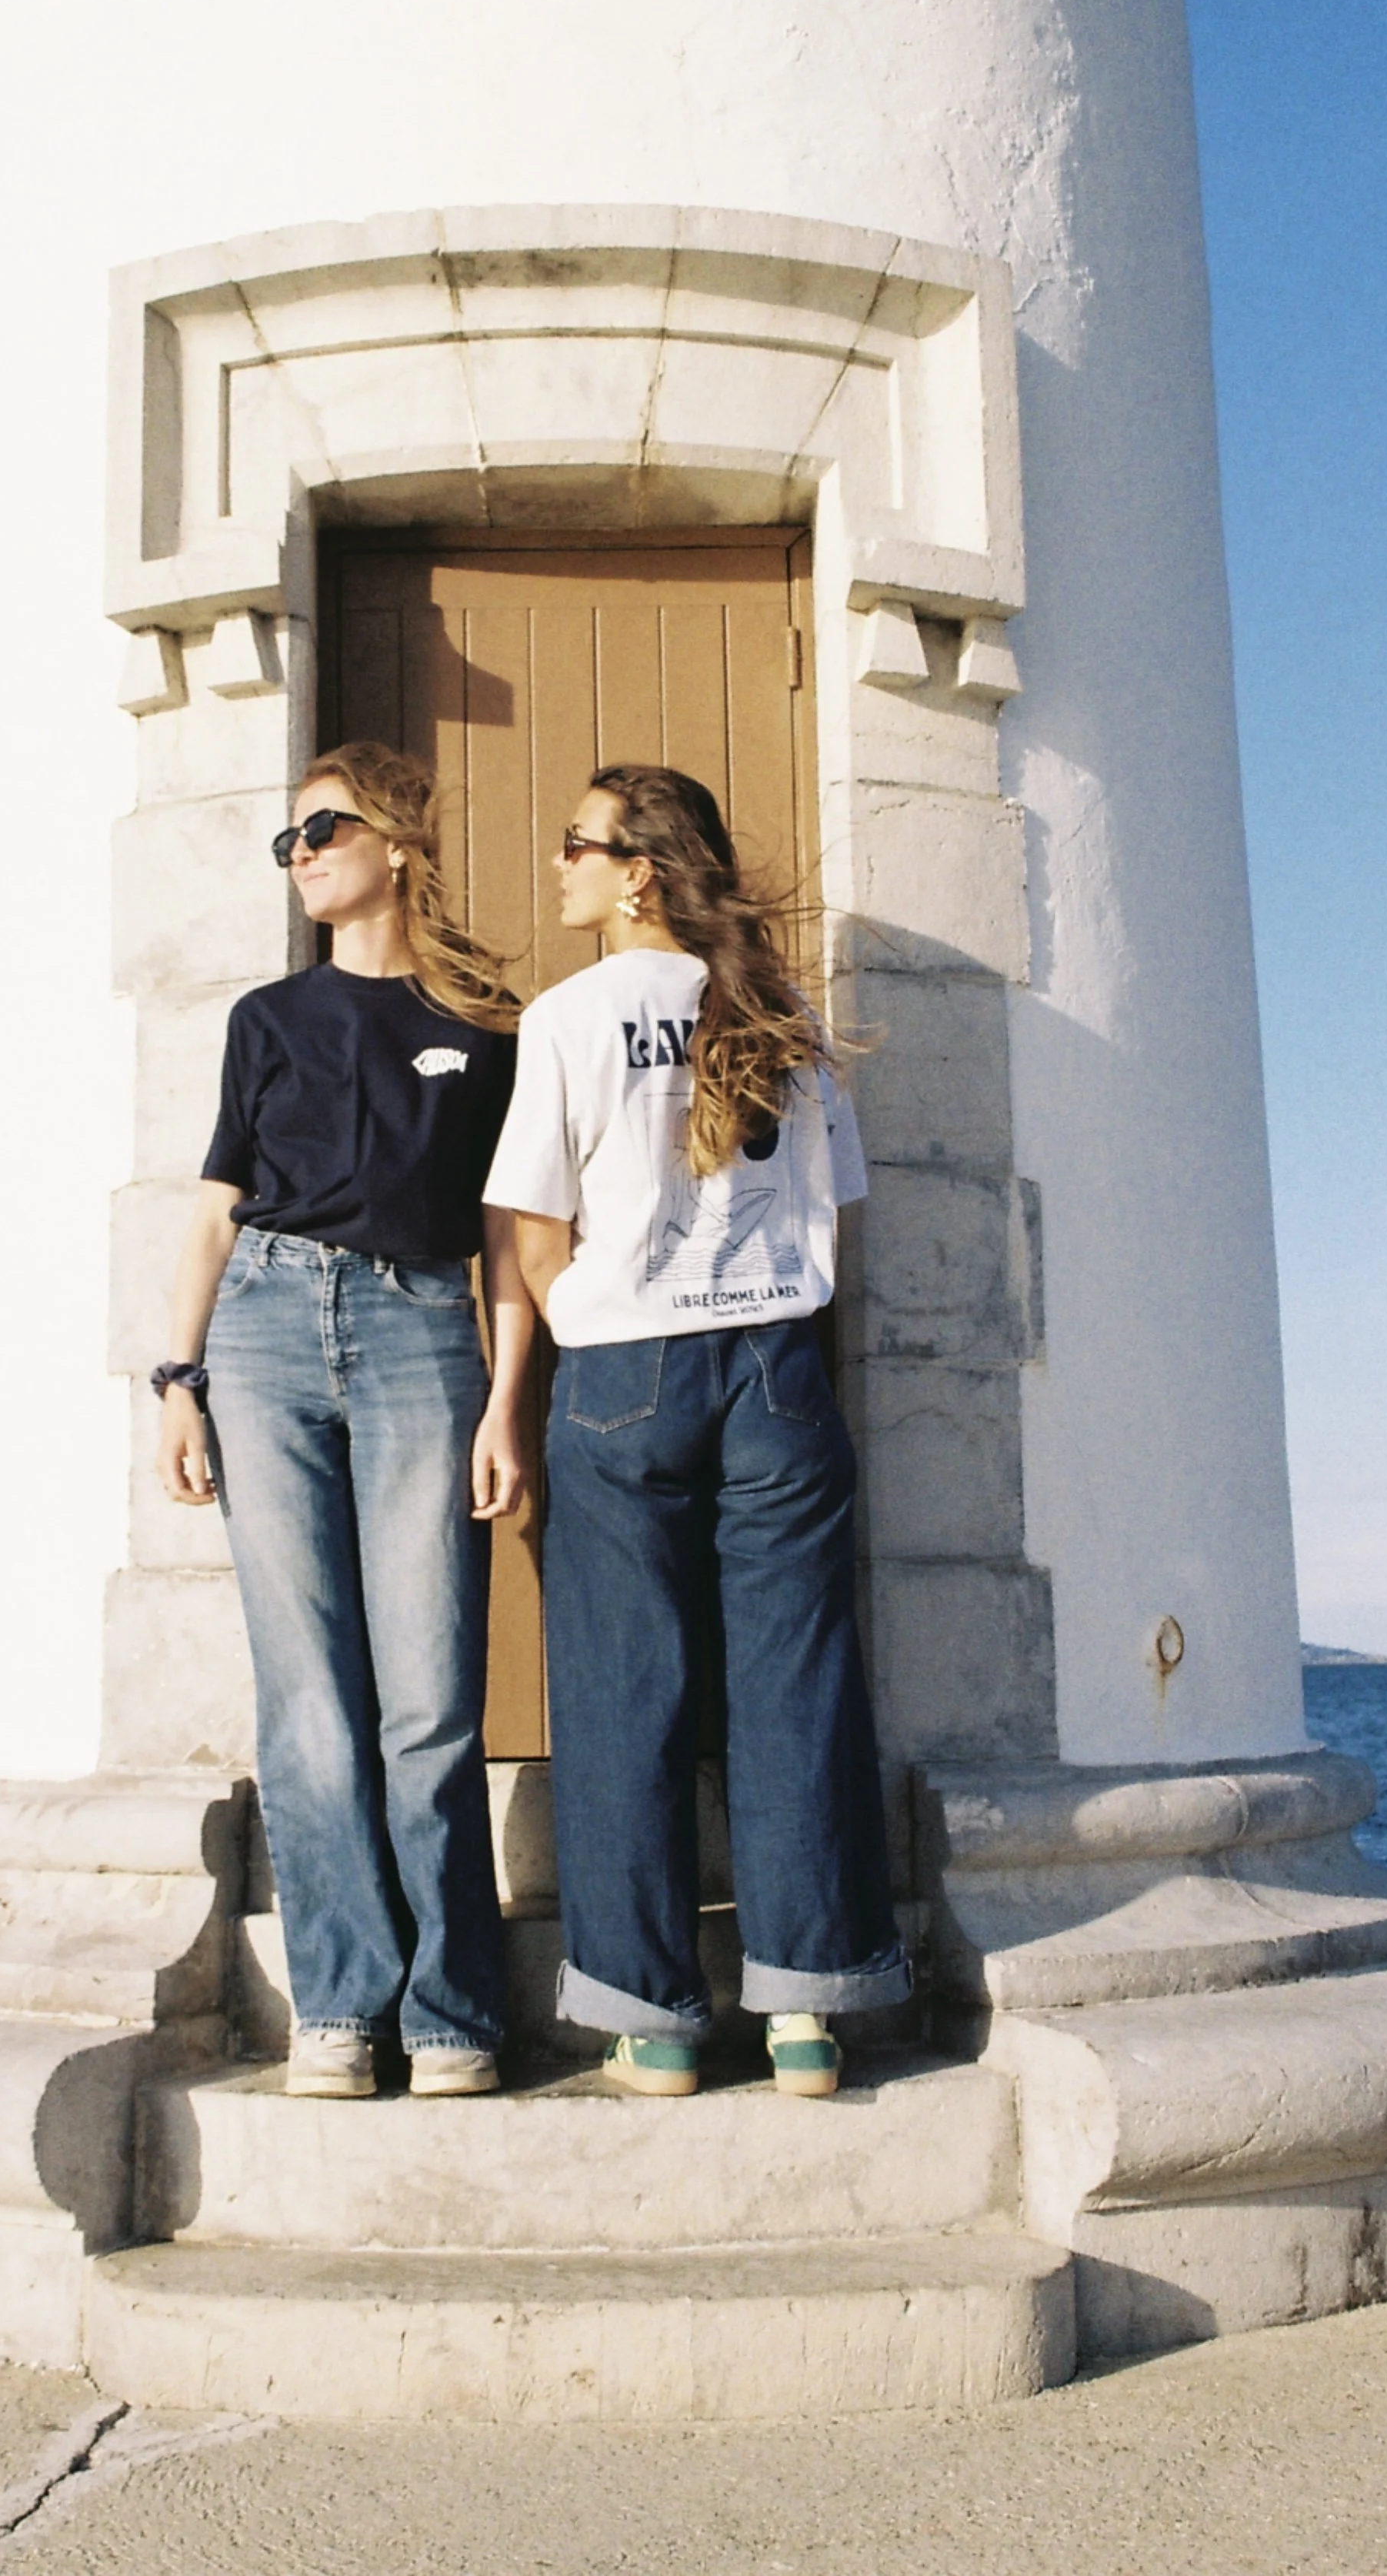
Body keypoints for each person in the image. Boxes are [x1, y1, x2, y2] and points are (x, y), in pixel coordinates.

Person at [482, 763, 909, 2099]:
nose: (559, 868)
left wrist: (592, 1315)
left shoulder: (570, 1017)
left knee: (624, 1693)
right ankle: (806, 2016)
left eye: (577, 845)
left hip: (625, 1371)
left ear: (639, 872)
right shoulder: (780, 1015)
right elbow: (834, 1210)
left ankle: (654, 2021)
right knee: (798, 1690)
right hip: (780, 1367)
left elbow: (526, 1227)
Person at [155, 742, 532, 2100]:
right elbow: (214, 1206)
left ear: (399, 842)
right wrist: (177, 1379)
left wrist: (505, 1401)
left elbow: (504, 1238)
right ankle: (341, 2003)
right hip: (263, 1333)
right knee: (309, 1698)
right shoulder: (266, 1018)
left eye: (324, 828)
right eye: (290, 839)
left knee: (428, 1699)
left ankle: (451, 2014)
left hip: (421, 1333)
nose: (302, 852)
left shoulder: (489, 1028)